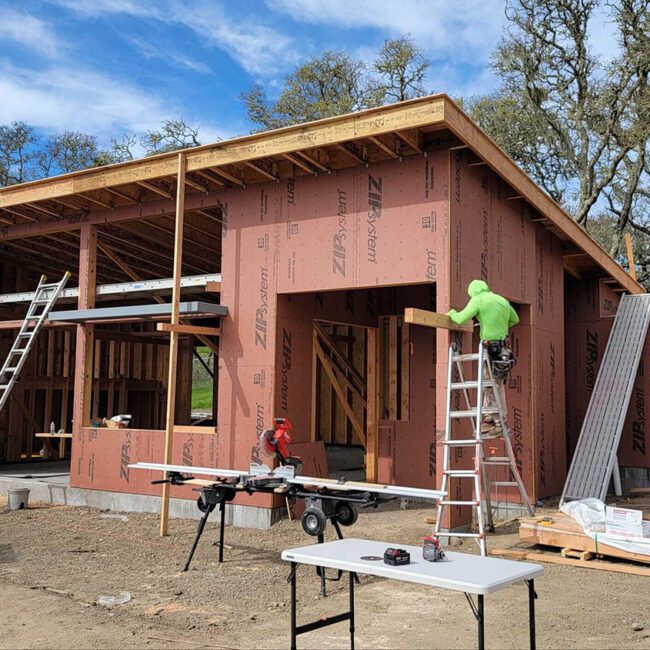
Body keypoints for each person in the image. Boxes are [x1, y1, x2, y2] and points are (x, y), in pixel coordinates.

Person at [447, 279, 519, 436]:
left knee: (489, 385)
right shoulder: (502, 300)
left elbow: (460, 319)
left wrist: (451, 313)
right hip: (503, 350)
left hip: (490, 348)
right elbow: (515, 319)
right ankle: (491, 419)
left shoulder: (478, 299)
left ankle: (498, 423)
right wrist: (498, 326)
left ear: (473, 292)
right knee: (496, 384)